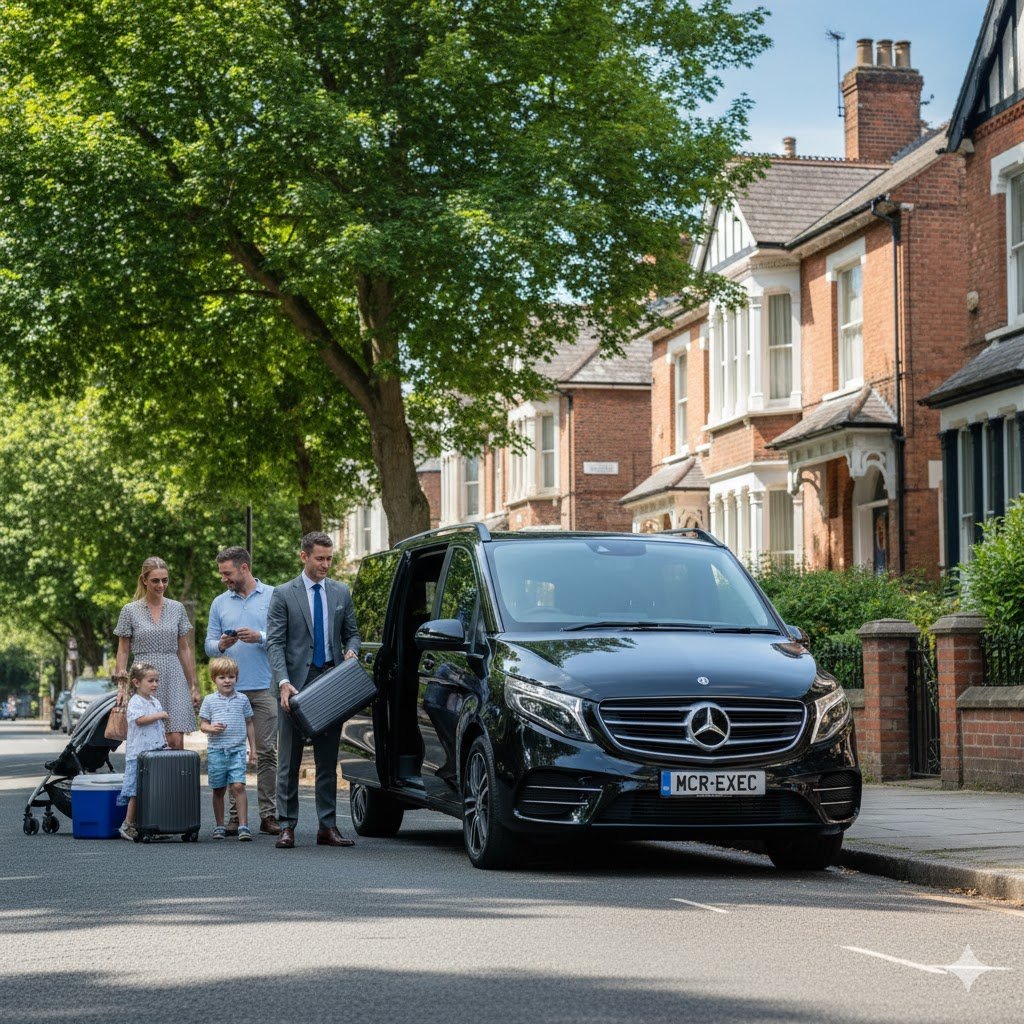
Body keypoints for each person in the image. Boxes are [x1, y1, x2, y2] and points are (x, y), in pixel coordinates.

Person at [266, 531, 361, 850]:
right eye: (320, 558)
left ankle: (327, 827)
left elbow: (353, 633)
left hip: (330, 683)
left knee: (327, 760)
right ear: (304, 556)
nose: (325, 564)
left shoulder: (340, 592)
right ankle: (286, 826)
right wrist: (282, 682)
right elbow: (275, 643)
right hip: (293, 687)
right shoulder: (283, 594)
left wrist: (352, 650)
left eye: (329, 559)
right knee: (288, 760)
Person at [204, 546, 278, 836]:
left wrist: (260, 637)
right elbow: (209, 645)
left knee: (266, 752)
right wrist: (221, 645)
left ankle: (268, 815)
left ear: (244, 568)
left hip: (265, 687)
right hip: (230, 694)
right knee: (231, 750)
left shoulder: (273, 596)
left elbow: (284, 637)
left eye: (227, 573)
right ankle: (235, 818)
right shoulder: (219, 603)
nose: (223, 578)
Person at [114, 556, 200, 748]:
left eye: (164, 580)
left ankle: (176, 770)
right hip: (143, 677)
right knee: (148, 738)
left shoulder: (177, 608)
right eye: (155, 580)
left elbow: (184, 649)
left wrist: (193, 685)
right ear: (144, 580)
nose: (161, 585)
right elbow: (123, 650)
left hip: (173, 675)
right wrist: (121, 686)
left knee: (175, 739)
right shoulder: (129, 611)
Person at [198, 656, 257, 841]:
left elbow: (249, 723)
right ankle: (219, 825)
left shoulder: (242, 699)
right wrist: (211, 728)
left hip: (237, 750)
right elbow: (202, 724)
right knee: (218, 789)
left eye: (231, 677)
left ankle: (243, 826)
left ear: (236, 678)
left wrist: (253, 749)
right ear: (214, 679)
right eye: (222, 677)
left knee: (238, 786)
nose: (227, 681)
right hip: (217, 750)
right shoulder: (209, 700)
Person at [117, 662, 168, 841]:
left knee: (153, 791)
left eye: (156, 681)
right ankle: (128, 824)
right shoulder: (135, 702)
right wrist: (160, 715)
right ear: (137, 683)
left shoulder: (155, 701)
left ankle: (150, 825)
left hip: (155, 753)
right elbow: (139, 720)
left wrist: (164, 743)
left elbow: (159, 727)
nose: (155, 684)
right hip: (139, 755)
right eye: (150, 681)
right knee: (136, 792)